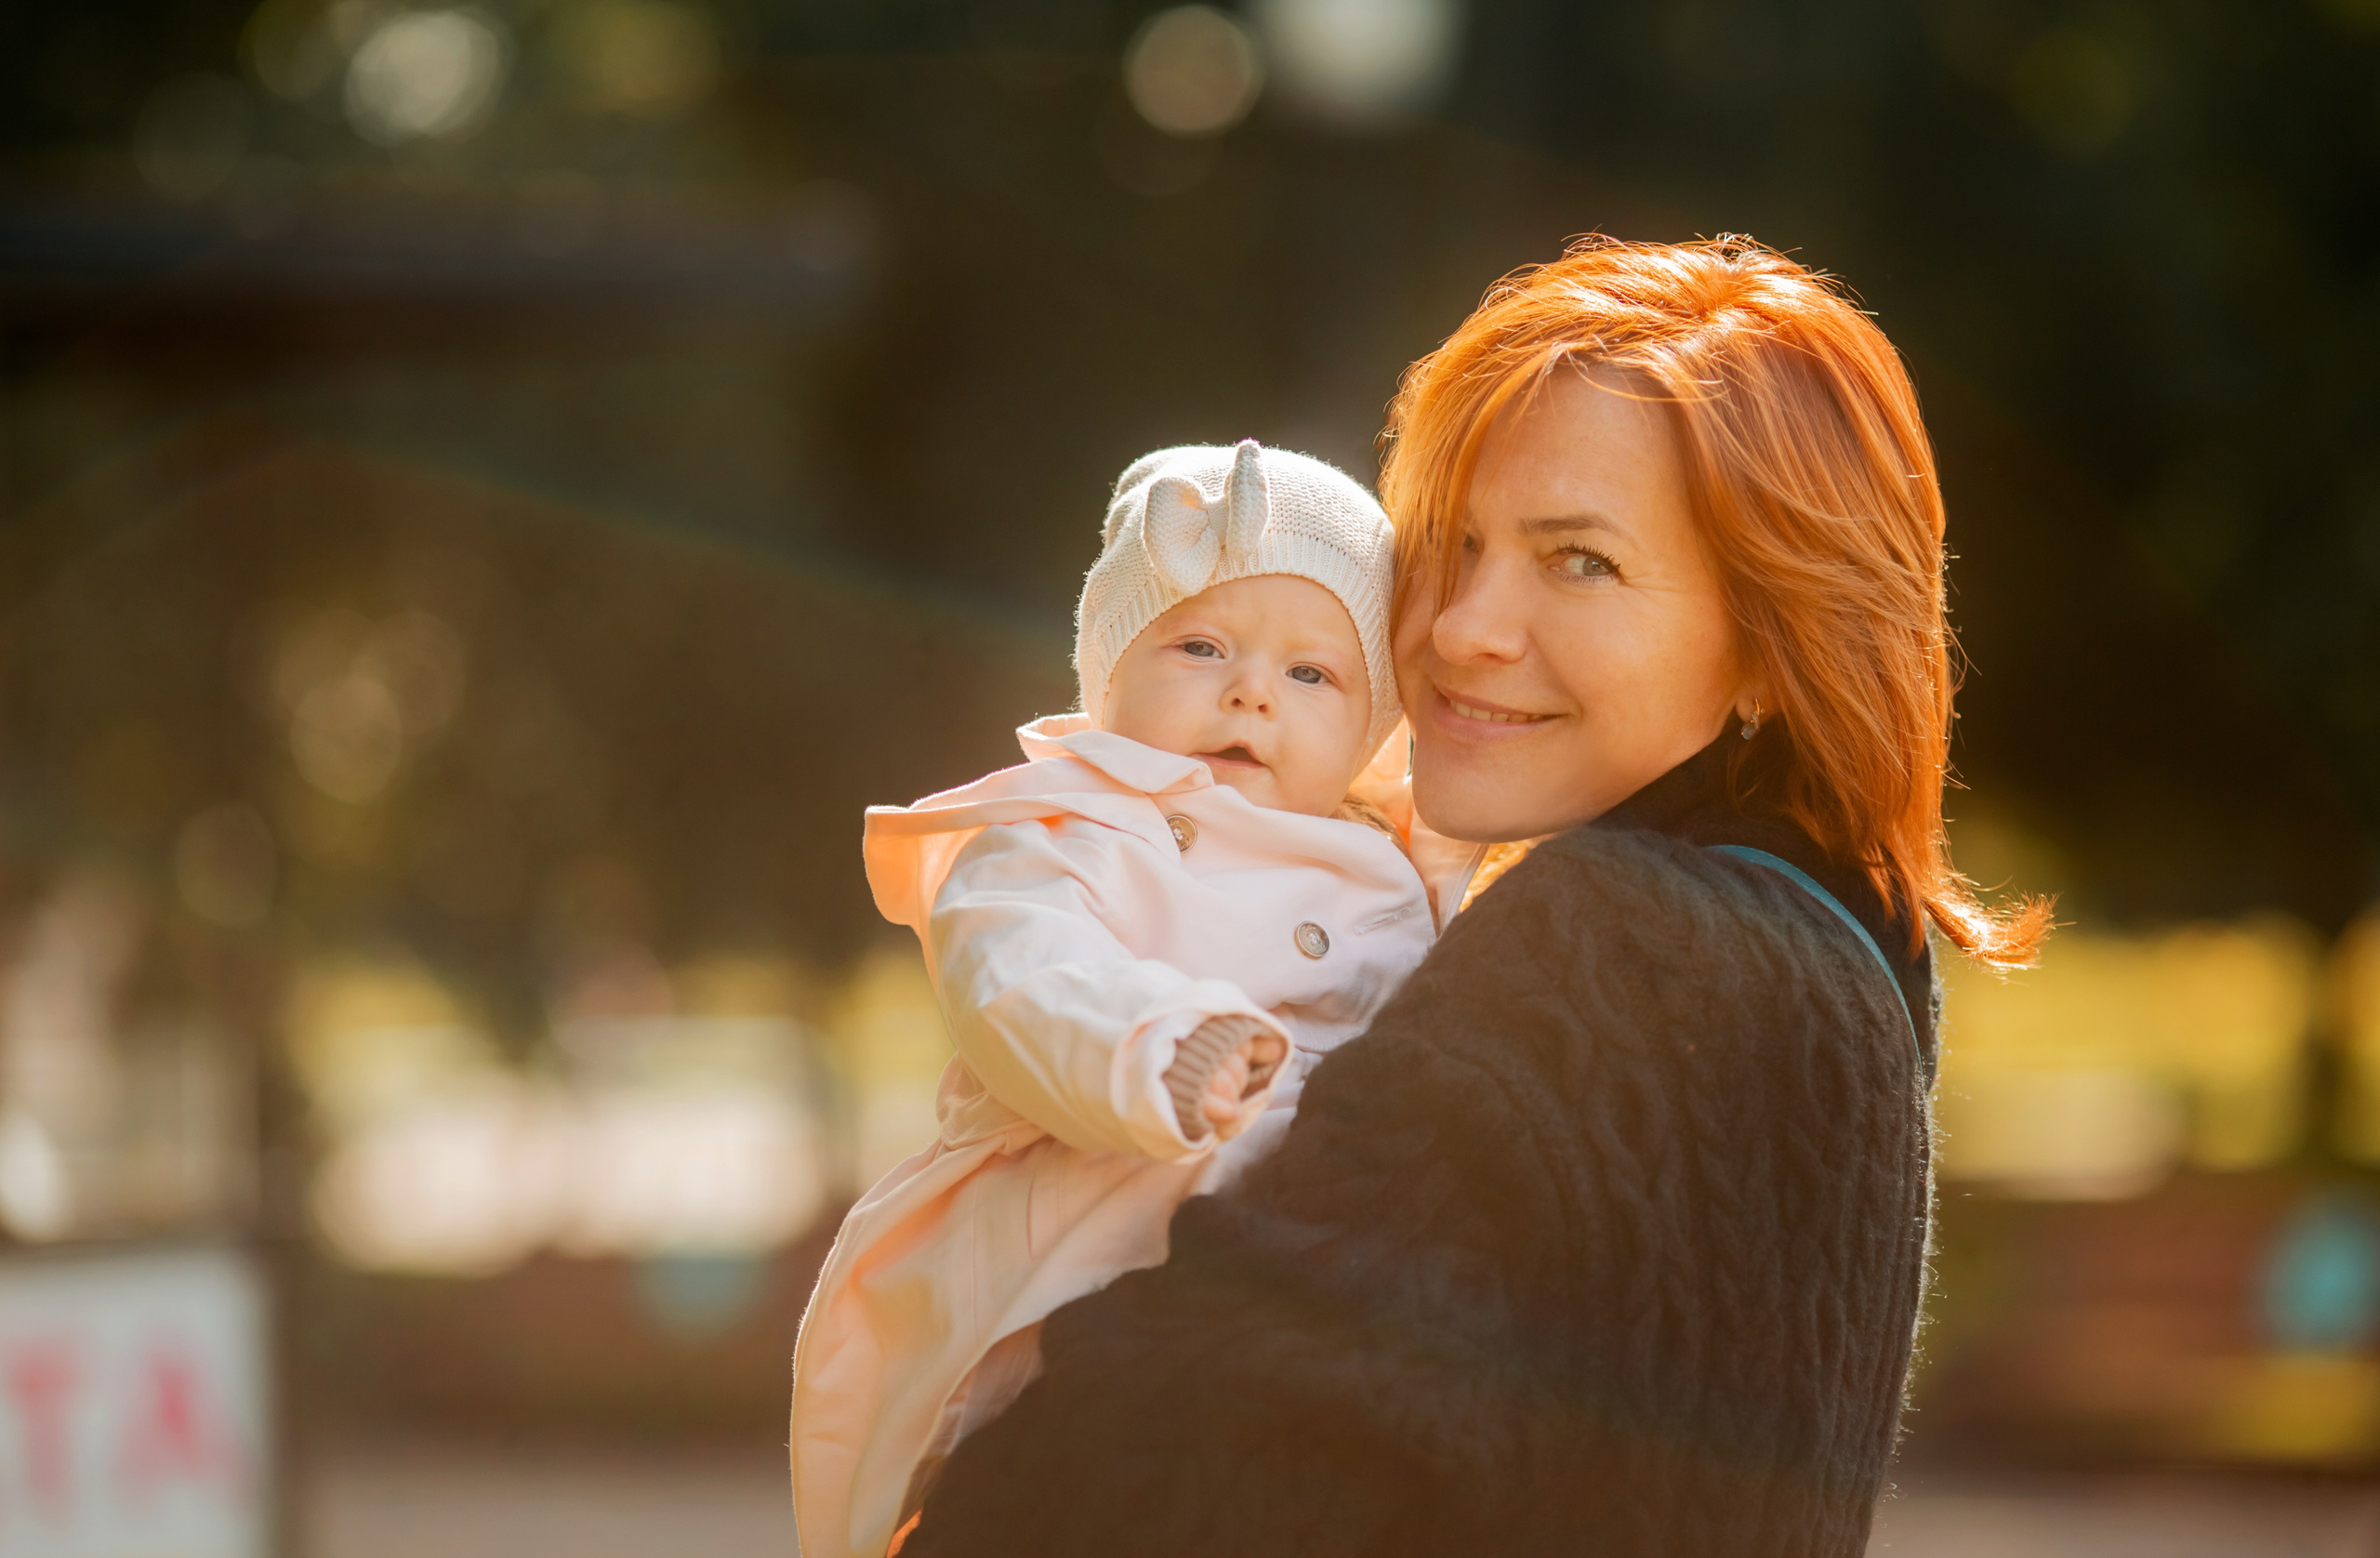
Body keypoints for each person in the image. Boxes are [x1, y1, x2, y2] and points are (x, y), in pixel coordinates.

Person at [892, 236, 2050, 1558]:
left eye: (1580, 562)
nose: (1460, 627)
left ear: (1772, 651)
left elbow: (1156, 1478)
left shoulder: (1623, 950)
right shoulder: (1840, 945)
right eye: (1455, 541)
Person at [790, 440, 1484, 1558]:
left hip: (1309, 1279)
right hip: (1082, 1229)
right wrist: (1156, 1046)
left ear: (1370, 725)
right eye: (1201, 645)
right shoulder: (1058, 831)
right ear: (1106, 674)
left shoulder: (1389, 857)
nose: (1253, 688)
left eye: (1313, 673)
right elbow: (1020, 974)